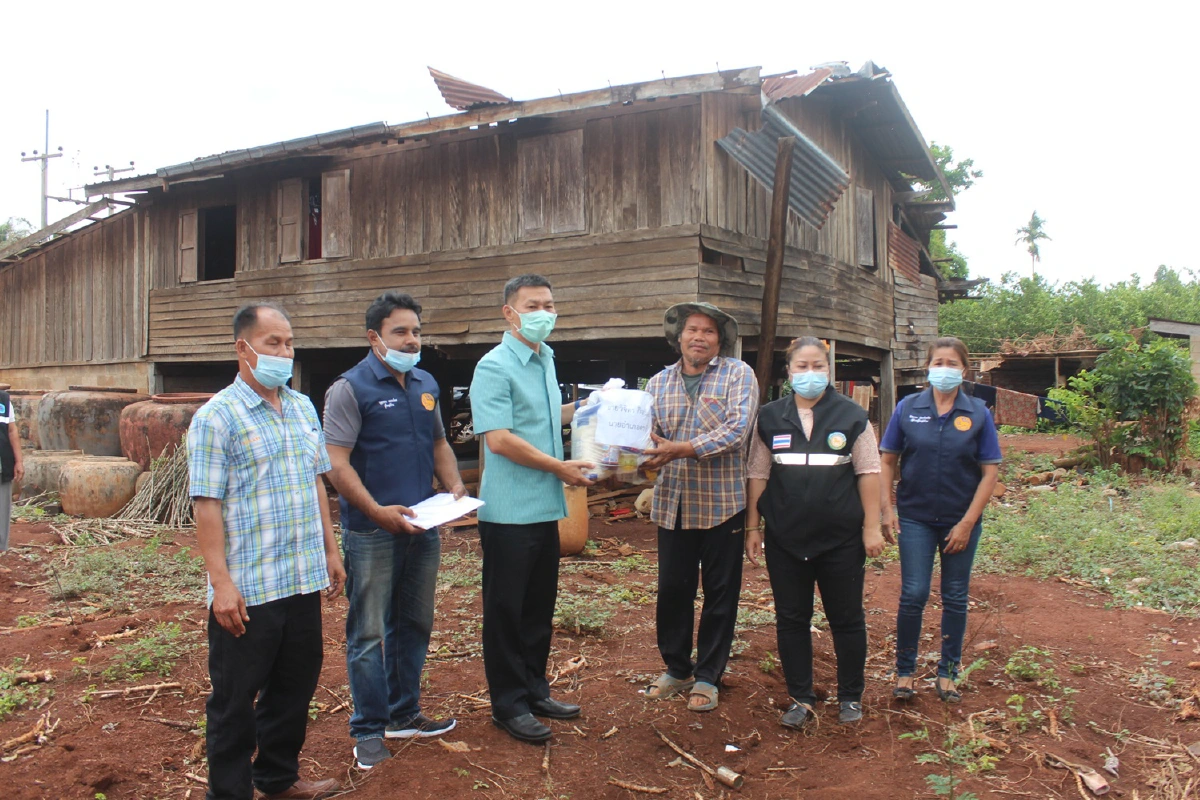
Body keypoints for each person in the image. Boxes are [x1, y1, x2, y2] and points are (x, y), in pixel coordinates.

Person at [188, 303, 345, 800]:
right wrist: (221, 584)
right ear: (244, 348)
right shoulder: (216, 418)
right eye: (273, 342)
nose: (284, 352)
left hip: (299, 577)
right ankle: (229, 792)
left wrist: (331, 550)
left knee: (294, 687)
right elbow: (206, 504)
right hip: (249, 586)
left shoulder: (301, 407)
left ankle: (277, 778)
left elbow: (317, 483)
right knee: (234, 701)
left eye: (289, 342)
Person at [324, 292, 463, 770]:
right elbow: (336, 463)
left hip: (421, 526)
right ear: (374, 337)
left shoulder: (426, 382)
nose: (411, 339)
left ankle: (404, 713)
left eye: (416, 331)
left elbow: (440, 441)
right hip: (371, 531)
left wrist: (456, 486)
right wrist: (376, 510)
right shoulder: (351, 387)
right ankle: (367, 728)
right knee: (366, 633)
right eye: (400, 331)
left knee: (414, 623)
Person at [469, 274, 595, 744]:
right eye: (533, 305)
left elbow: (546, 417)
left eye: (549, 303)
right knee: (506, 611)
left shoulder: (545, 359)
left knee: (538, 608)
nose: (544, 312)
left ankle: (535, 689)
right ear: (510, 312)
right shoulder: (494, 366)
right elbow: (499, 438)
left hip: (543, 508)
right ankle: (508, 704)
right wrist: (558, 467)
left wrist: (590, 407)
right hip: (508, 512)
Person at [745, 337, 884, 729]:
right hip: (785, 540)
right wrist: (753, 527)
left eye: (817, 366)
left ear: (829, 370)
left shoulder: (852, 416)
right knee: (791, 618)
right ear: (789, 373)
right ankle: (800, 698)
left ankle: (851, 697)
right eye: (801, 367)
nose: (810, 374)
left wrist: (871, 527)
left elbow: (869, 472)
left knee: (847, 619)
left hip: (840, 540)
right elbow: (758, 472)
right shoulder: (770, 417)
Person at [642, 302, 758, 713]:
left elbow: (737, 431)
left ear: (719, 340)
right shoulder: (657, 384)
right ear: (679, 336)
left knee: (720, 593)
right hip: (672, 503)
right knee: (673, 590)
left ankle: (709, 675)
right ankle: (677, 668)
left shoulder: (738, 375)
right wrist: (641, 455)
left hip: (722, 503)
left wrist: (681, 449)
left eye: (709, 332)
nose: (699, 337)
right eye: (693, 329)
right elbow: (647, 435)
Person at [880, 336, 1001, 704]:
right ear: (927, 367)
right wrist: (887, 508)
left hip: (959, 519)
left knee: (955, 596)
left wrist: (967, 523)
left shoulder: (978, 412)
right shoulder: (907, 407)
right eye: (938, 362)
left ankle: (948, 672)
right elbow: (888, 459)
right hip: (915, 517)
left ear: (963, 370)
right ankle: (904, 672)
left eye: (951, 363)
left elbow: (990, 471)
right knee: (913, 594)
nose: (943, 369)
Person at [0, 386, 24, 553]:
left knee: (2, 507)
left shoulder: (4, 400)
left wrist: (19, 461)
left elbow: (12, 430)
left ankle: (1, 548)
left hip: (3, 463)